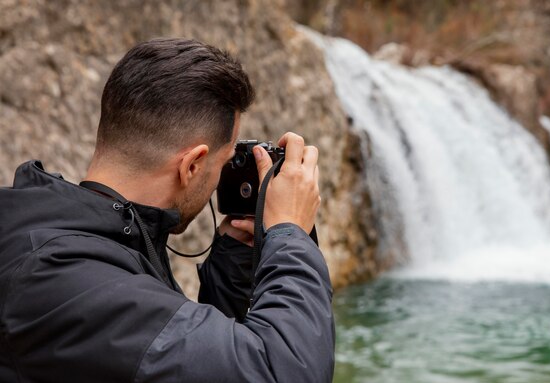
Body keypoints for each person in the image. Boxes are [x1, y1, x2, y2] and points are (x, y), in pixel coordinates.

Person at [0, 38, 334, 382]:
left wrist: (234, 259)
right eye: (224, 162)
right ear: (192, 165)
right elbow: (285, 374)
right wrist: (289, 234)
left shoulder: (101, 242)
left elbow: (179, 364)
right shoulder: (60, 276)